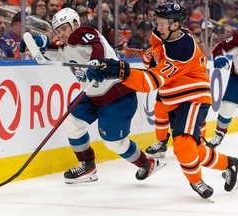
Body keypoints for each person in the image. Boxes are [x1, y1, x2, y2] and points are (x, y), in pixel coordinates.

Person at [89, 2, 238, 199]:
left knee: (183, 145)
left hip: (192, 98)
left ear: (175, 25)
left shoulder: (181, 49)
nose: (157, 27)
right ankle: (230, 164)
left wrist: (120, 71)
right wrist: (111, 66)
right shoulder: (164, 35)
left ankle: (196, 182)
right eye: (157, 22)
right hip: (172, 100)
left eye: (161, 23)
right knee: (195, 149)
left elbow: (150, 81)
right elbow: (151, 63)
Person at [21, 8, 165, 184]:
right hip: (93, 95)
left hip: (117, 97)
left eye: (64, 28)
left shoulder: (84, 31)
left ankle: (147, 163)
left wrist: (97, 63)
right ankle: (87, 165)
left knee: (113, 143)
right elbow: (57, 52)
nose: (62, 34)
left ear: (75, 23)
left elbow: (95, 45)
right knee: (71, 122)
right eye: (58, 31)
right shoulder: (68, 46)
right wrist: (38, 44)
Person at [207, 32, 238, 149]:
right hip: (237, 80)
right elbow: (220, 48)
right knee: (227, 107)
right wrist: (220, 57)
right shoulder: (237, 37)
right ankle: (219, 134)